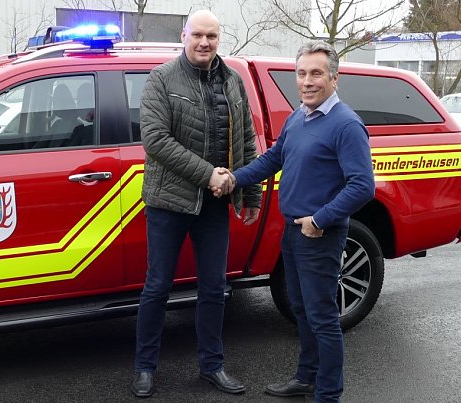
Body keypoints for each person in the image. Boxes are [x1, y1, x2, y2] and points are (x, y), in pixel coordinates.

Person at [221, 41, 375, 403]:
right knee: (301, 308)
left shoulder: (346, 125)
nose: (307, 81)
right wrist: (234, 179)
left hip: (318, 234)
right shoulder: (299, 116)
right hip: (293, 231)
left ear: (334, 79)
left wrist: (320, 219)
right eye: (302, 74)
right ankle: (306, 377)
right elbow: (273, 158)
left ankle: (329, 394)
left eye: (316, 74)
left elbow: (362, 186)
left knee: (322, 317)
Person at [132, 9, 262, 398]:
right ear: (183, 35)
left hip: (214, 206)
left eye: (212, 36)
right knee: (157, 287)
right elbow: (155, 140)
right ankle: (144, 367)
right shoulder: (161, 79)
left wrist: (250, 192)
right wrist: (208, 174)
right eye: (198, 35)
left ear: (219, 39)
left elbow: (247, 141)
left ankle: (212, 365)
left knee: (214, 288)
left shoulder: (233, 81)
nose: (205, 42)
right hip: (168, 202)